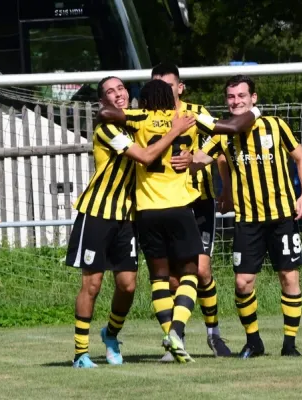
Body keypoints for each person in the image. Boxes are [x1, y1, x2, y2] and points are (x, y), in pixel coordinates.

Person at [99, 79, 259, 363]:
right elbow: (231, 127)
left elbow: (108, 114)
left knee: (159, 277)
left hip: (147, 210)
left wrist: (125, 112)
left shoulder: (140, 118)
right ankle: (177, 330)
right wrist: (256, 113)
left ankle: (171, 340)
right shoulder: (188, 118)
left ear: (146, 101)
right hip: (180, 207)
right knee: (189, 274)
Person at [65, 76, 196, 369]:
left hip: (128, 216)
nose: (118, 94)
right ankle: (80, 353)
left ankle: (110, 335)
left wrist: (190, 157)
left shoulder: (141, 122)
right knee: (93, 284)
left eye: (121, 88)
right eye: (110, 91)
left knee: (127, 285)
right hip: (98, 213)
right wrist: (175, 131)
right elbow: (147, 156)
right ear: (103, 100)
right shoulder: (108, 129)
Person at [192, 75, 302, 358]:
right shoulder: (222, 135)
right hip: (247, 219)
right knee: (243, 282)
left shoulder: (275, 125)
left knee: (289, 277)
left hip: (282, 216)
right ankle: (254, 341)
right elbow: (198, 160)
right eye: (231, 97)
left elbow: (301, 158)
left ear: (253, 98)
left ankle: (290, 344)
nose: (236, 101)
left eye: (241, 96)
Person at [151, 62, 232, 359]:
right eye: (157, 86)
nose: (163, 92)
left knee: (201, 269)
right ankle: (174, 339)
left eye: (168, 86)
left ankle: (214, 334)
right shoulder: (147, 117)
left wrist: (200, 159)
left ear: (180, 87)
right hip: (161, 203)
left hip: (197, 199)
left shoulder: (196, 112)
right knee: (172, 277)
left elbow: (219, 139)